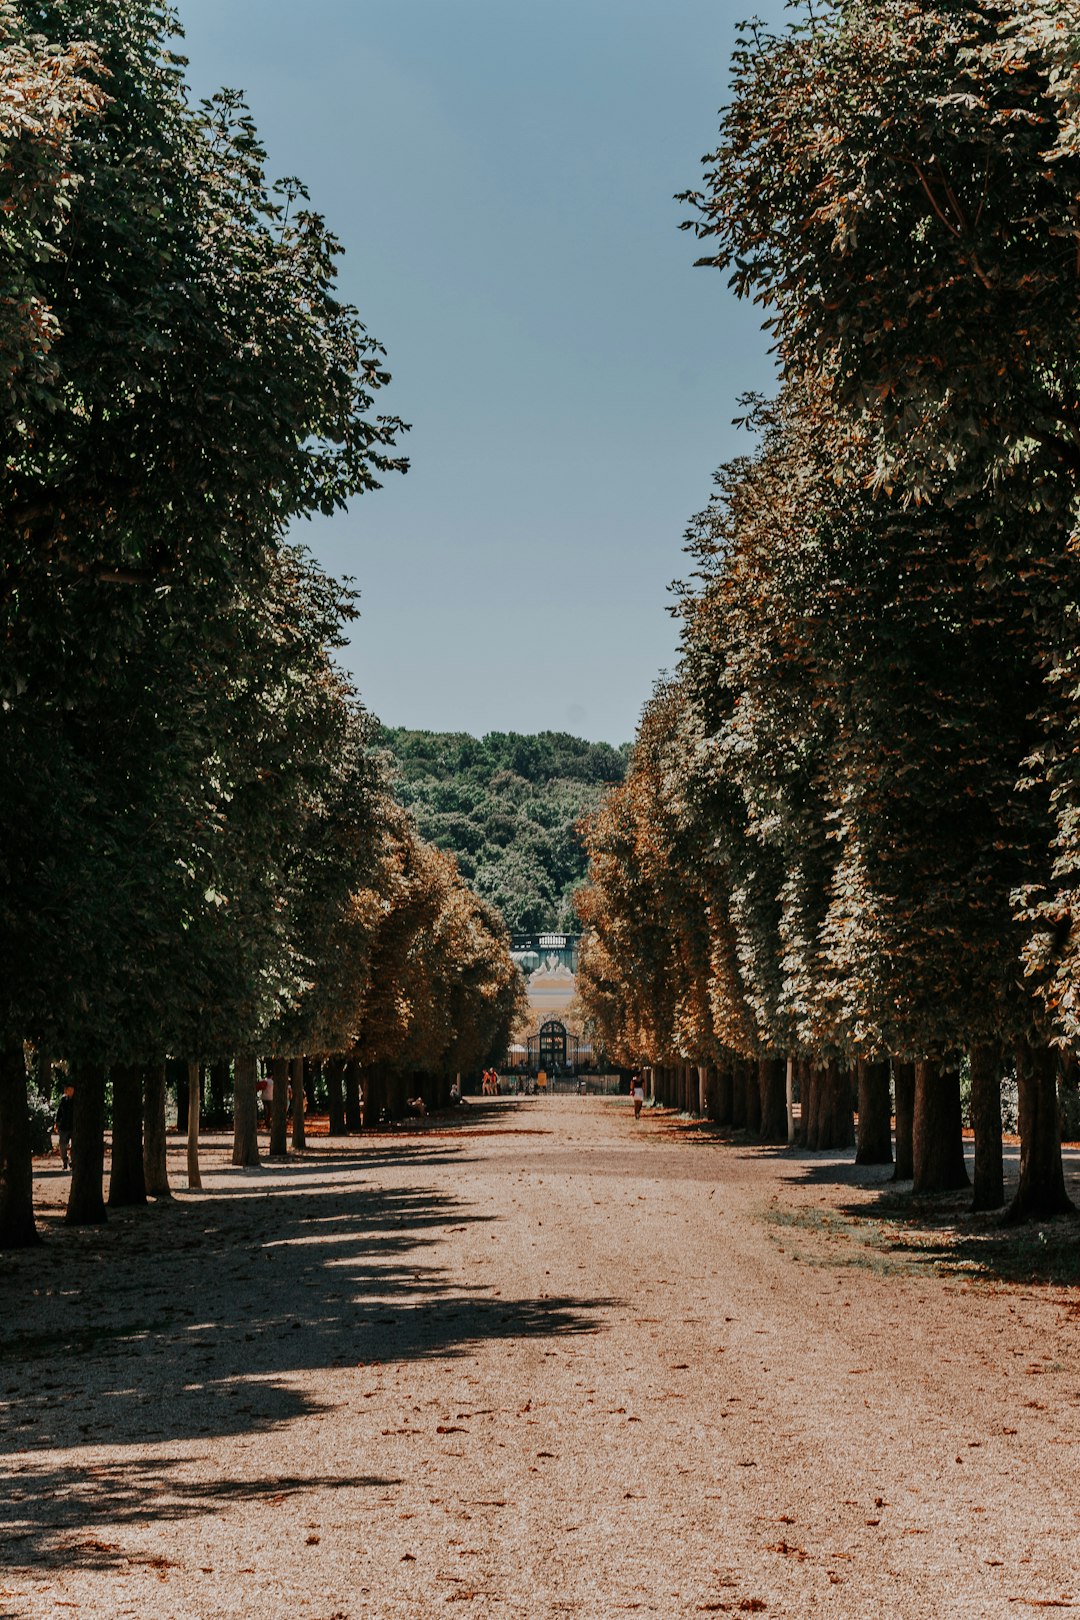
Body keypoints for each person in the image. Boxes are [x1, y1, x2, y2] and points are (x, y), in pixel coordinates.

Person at [55, 1082, 75, 1170]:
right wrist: (57, 1122)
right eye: (67, 1089)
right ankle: (65, 1161)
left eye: (70, 1089)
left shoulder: (78, 1100)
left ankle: (73, 1162)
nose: (68, 1091)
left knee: (74, 1146)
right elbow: (59, 1112)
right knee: (62, 1145)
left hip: (74, 1127)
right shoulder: (63, 1100)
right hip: (64, 1126)